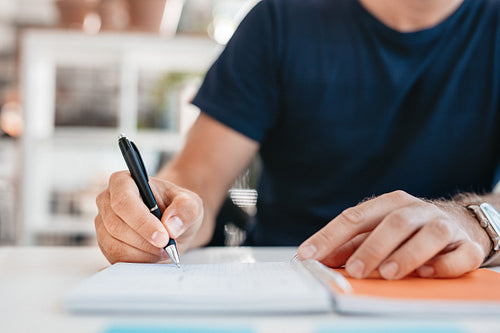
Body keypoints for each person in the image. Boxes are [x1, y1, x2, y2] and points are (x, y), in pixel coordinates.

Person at [95, 0, 500, 280]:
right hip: (282, 280)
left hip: (446, 283)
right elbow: (198, 175)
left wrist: (479, 221)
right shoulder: (281, 20)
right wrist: (168, 214)